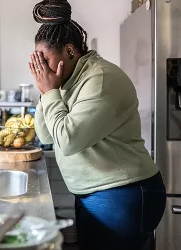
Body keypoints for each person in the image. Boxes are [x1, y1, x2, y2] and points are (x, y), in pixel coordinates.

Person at [29, 1, 166, 250]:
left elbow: (68, 140)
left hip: (124, 194)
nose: (42, 71)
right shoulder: (67, 81)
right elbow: (47, 135)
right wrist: (45, 92)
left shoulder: (101, 79)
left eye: (45, 61)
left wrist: (49, 91)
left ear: (70, 51)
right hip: (95, 194)